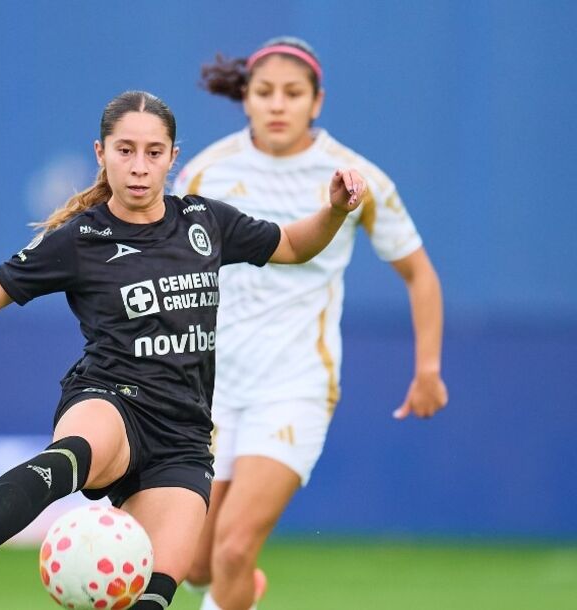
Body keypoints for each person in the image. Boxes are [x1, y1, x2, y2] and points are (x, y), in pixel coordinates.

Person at [0, 90, 367, 610]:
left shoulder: (205, 221)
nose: (138, 166)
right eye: (125, 150)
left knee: (149, 599)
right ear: (100, 153)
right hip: (110, 397)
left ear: (172, 157)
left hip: (184, 437)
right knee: (76, 453)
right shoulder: (79, 239)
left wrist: (336, 211)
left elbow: (294, 245)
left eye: (153, 153)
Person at [171, 38, 448, 610]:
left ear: (316, 102)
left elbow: (420, 274)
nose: (278, 104)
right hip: (212, 388)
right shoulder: (205, 173)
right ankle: (240, 590)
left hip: (295, 385)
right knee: (193, 561)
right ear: (244, 98)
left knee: (232, 550)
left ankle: (238, 579)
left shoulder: (355, 178)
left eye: (292, 94)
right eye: (264, 92)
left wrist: (428, 369)